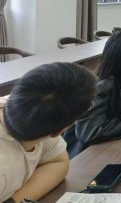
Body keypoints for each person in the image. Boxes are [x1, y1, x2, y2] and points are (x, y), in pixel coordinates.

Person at [0, 62, 97, 202]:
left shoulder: (30, 110)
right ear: (59, 132)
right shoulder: (4, 168)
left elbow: (58, 163)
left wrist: (13, 200)